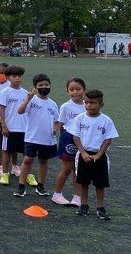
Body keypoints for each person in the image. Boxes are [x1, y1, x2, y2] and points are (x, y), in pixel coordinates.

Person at [66, 89, 118, 220]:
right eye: (86, 102)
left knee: (100, 183)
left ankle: (100, 207)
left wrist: (99, 155)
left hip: (99, 156)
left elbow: (108, 140)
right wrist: (83, 153)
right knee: (83, 182)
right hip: (84, 155)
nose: (89, 105)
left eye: (93, 103)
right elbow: (75, 137)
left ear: (101, 104)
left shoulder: (106, 120)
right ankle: (84, 205)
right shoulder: (80, 118)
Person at [13, 74, 58, 197]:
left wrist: (55, 128)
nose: (44, 87)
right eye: (41, 85)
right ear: (35, 87)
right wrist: (28, 99)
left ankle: (41, 186)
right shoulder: (31, 100)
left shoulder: (53, 104)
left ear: (50, 86)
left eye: (46, 85)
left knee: (43, 161)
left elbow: (56, 120)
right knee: (28, 160)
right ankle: (21, 186)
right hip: (32, 137)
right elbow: (20, 111)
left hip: (47, 139)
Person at [52, 78, 87, 206]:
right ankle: (57, 194)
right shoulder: (66, 106)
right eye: (71, 89)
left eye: (78, 89)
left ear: (84, 90)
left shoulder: (86, 105)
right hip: (69, 138)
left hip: (83, 140)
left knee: (78, 170)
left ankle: (77, 197)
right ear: (67, 91)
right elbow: (60, 123)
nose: (75, 92)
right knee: (67, 168)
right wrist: (57, 133)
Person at [0, 66, 29, 186]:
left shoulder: (25, 93)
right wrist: (4, 126)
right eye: (14, 76)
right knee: (7, 151)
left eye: (19, 76)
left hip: (24, 128)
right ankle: (4, 173)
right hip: (10, 127)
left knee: (25, 152)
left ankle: (27, 174)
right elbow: (2, 111)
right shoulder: (5, 92)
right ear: (8, 77)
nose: (17, 79)